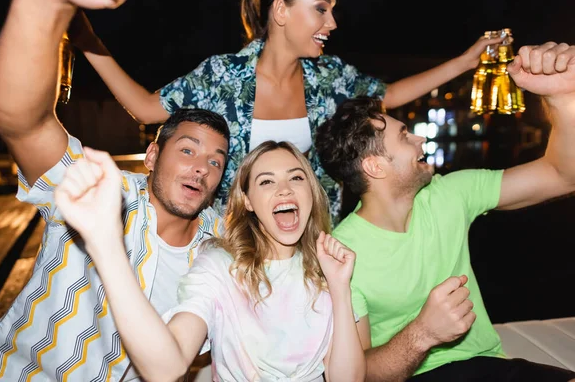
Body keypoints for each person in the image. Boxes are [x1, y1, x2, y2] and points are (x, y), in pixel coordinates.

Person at [68, 0, 503, 223]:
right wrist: (87, 40)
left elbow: (386, 95)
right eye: (321, 9)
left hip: (310, 247)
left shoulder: (329, 76)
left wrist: (465, 61)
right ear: (280, 11)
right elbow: (146, 108)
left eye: (331, 11)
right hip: (232, 245)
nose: (332, 22)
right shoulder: (223, 75)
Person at [0, 0, 229, 381]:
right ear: (151, 156)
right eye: (187, 150)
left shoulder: (224, 241)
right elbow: (22, 123)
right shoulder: (102, 191)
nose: (203, 167)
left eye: (216, 161)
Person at [314, 41, 575, 381]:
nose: (420, 140)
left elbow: (561, 175)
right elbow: (360, 374)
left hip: (487, 365)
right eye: (405, 136)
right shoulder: (342, 254)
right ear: (375, 166)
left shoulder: (449, 194)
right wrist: (424, 332)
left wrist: (562, 98)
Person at [53, 139, 365, 381]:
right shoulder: (219, 267)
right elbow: (168, 366)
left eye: (296, 178)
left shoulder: (328, 270)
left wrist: (339, 289)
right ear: (248, 201)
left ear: (310, 192)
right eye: (267, 181)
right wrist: (106, 244)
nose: (284, 189)